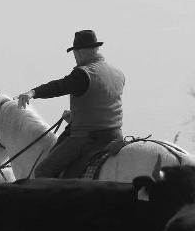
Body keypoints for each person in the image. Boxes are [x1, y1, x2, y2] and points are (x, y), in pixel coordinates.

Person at [17, 29, 125, 179]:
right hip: (115, 136)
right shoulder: (118, 73)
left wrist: (33, 93)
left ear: (81, 52)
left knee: (43, 171)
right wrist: (76, 116)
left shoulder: (83, 73)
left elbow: (60, 86)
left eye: (75, 53)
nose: (75, 57)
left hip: (87, 139)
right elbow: (102, 104)